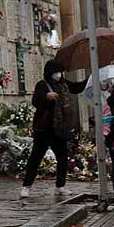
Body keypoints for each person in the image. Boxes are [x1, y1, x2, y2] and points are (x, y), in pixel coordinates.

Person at [20, 60, 85, 198]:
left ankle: (60, 186)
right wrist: (46, 97)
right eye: (56, 72)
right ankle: (26, 186)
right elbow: (35, 101)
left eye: (60, 72)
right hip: (44, 129)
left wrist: (92, 79)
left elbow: (77, 87)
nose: (59, 74)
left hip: (60, 129)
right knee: (36, 158)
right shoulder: (43, 85)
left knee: (62, 157)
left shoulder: (64, 85)